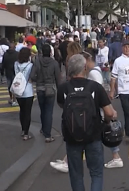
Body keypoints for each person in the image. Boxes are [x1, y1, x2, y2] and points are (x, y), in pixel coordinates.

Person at [58, 54, 117, 191]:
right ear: (85, 68)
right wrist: (107, 121)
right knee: (96, 173)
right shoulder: (95, 87)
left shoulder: (63, 88)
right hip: (93, 135)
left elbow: (63, 106)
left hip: (72, 137)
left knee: (76, 175)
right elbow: (109, 112)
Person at [32, 44, 61, 143]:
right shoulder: (54, 63)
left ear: (41, 52)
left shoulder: (37, 61)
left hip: (40, 88)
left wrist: (38, 80)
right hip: (50, 88)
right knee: (49, 111)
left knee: (43, 110)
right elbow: (58, 78)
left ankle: (43, 128)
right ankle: (48, 135)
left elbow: (32, 75)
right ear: (50, 52)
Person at [14, 47, 35, 140]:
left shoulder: (16, 64)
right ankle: (26, 133)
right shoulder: (30, 65)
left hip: (18, 90)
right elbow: (32, 77)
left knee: (22, 111)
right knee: (27, 112)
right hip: (28, 91)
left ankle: (23, 129)